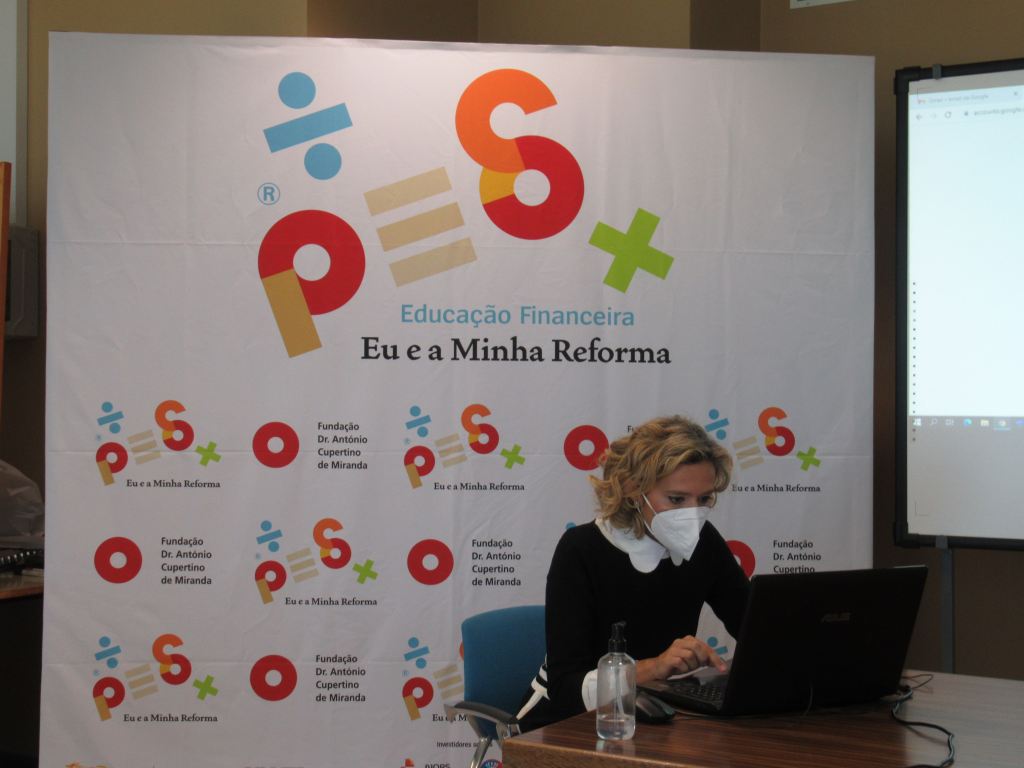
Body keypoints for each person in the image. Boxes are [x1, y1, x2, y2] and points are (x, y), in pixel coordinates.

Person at [516, 415, 750, 731]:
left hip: (652, 715)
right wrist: (654, 667)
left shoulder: (705, 542)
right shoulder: (581, 548)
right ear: (632, 489)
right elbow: (564, 688)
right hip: (563, 723)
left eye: (704, 499)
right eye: (677, 499)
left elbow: (757, 631)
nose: (693, 515)